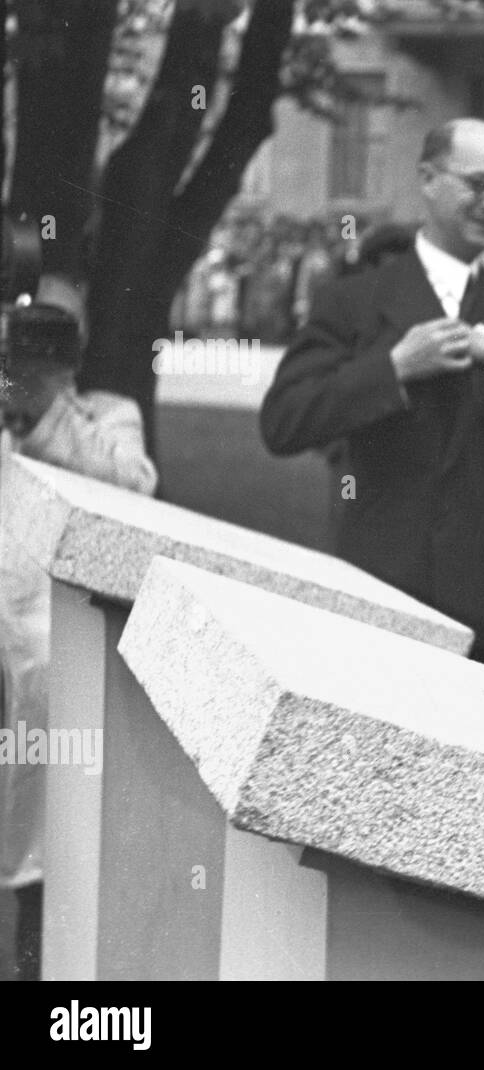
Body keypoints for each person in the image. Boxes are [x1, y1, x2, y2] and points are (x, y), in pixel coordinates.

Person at [260, 118, 484, 663]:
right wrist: (394, 367)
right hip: (382, 590)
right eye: (478, 185)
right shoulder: (353, 300)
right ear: (428, 178)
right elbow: (283, 420)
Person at [0, 296, 158, 981]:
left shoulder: (108, 415)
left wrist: (44, 409)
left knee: (46, 852)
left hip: (46, 683)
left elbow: (132, 484)